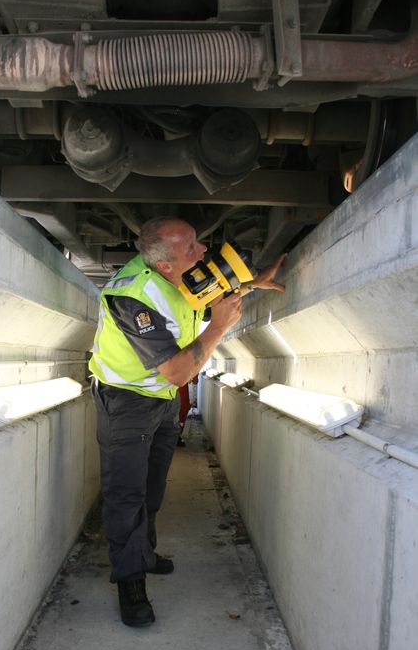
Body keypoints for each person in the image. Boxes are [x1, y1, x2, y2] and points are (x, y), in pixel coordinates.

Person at [89, 217, 285, 627]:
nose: (202, 252)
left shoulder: (184, 275)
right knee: (126, 495)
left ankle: (143, 553)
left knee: (153, 486)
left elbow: (204, 293)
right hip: (125, 402)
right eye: (191, 248)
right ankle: (129, 581)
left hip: (159, 402)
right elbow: (178, 373)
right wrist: (219, 327)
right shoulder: (131, 297)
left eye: (198, 242)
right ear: (164, 265)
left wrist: (251, 284)